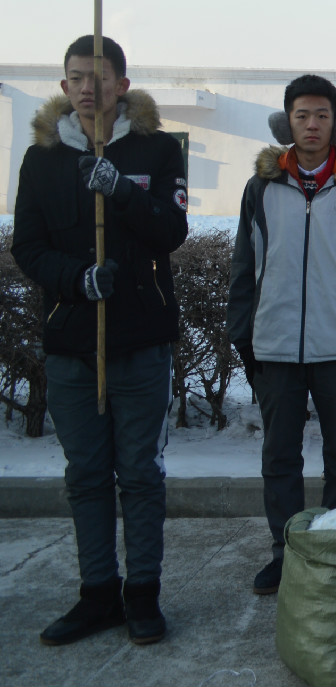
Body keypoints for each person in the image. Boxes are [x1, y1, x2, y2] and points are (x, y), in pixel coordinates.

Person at [11, 36, 187, 647]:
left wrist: (121, 189)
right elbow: (27, 247)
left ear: (122, 83)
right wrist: (77, 280)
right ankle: (97, 593)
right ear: (64, 87)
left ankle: (142, 594)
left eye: (100, 76)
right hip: (71, 343)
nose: (88, 87)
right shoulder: (41, 158)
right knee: (86, 474)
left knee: (139, 473)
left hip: (141, 340)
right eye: (76, 77)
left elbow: (172, 230)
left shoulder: (158, 149)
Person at [227, 74, 336, 594]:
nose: (311, 124)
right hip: (275, 344)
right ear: (287, 121)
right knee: (279, 455)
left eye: (322, 115)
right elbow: (244, 264)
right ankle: (287, 553)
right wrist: (242, 333)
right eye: (302, 115)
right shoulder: (261, 188)